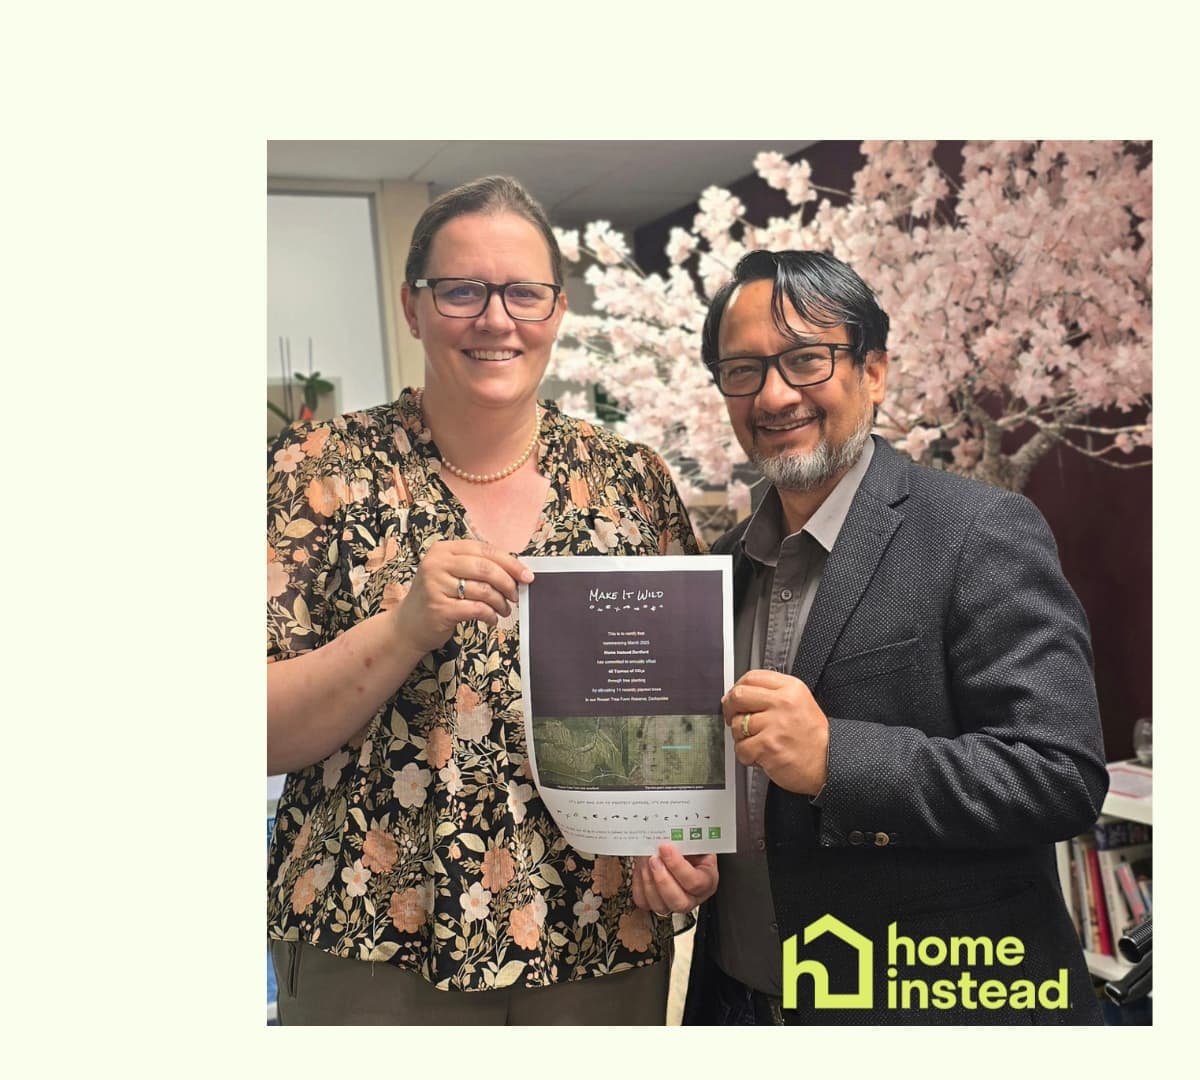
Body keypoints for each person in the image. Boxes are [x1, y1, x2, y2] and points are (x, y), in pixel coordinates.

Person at [266, 176, 717, 1025]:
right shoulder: (315, 473)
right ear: (413, 305)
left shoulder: (632, 483)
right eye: (463, 291)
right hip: (368, 941)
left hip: (597, 937)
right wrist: (401, 630)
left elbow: (679, 723)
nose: (496, 319)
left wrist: (688, 848)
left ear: (557, 308)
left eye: (524, 293)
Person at [674, 249, 1109, 1025]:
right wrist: (691, 856)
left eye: (806, 359)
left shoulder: (976, 531)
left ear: (873, 372)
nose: (774, 395)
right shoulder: (721, 567)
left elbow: (1060, 776)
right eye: (743, 370)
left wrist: (837, 759)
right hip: (739, 1005)